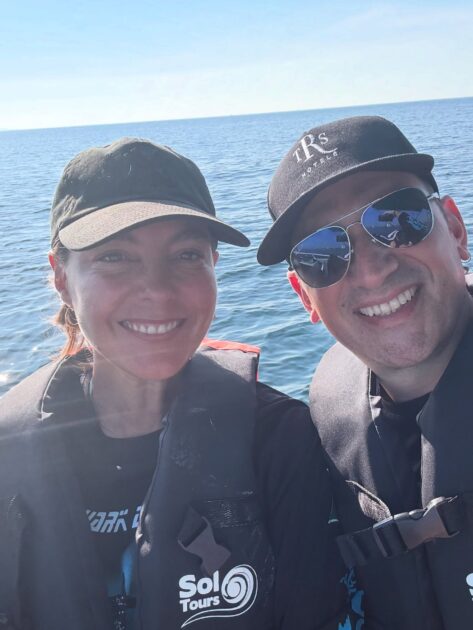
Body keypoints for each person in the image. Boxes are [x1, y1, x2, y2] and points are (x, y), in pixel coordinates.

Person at [0, 137, 349, 630]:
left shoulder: (278, 440)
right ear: (60, 277)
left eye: (185, 255)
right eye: (115, 257)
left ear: (214, 266)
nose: (158, 290)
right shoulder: (9, 454)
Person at [257, 115, 473, 629]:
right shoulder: (325, 415)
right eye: (323, 253)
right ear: (304, 296)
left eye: (397, 218)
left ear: (455, 229)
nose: (373, 270)